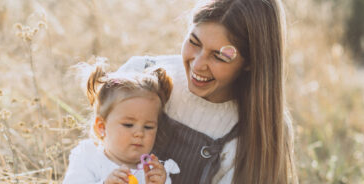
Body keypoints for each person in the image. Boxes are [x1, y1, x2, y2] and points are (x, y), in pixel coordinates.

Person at [118, 0, 296, 183]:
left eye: (218, 56)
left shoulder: (258, 132)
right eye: (194, 42)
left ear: (251, 62)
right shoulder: (138, 75)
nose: (198, 65)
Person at [62, 63, 180, 184]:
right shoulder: (88, 157)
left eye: (148, 127)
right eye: (128, 125)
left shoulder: (152, 171)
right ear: (101, 127)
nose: (139, 133)